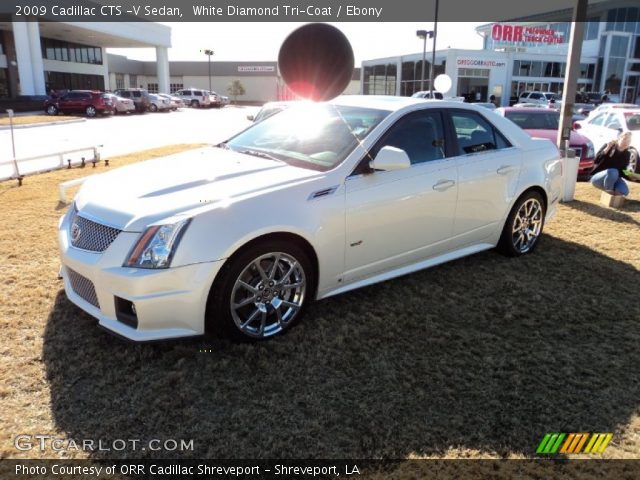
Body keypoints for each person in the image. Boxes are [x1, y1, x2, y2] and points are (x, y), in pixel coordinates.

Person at [590, 131, 633, 197]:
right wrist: (607, 149)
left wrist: (633, 176)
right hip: (598, 178)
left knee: (624, 191)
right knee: (613, 171)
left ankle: (612, 196)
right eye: (624, 139)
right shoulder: (609, 146)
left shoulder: (627, 154)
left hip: (614, 178)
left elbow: (623, 171)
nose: (626, 142)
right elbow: (596, 160)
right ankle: (608, 192)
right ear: (619, 138)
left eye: (628, 141)